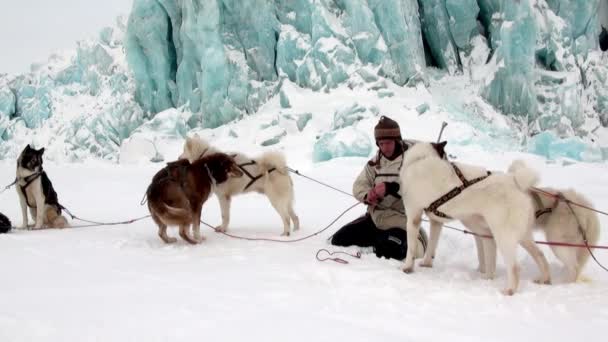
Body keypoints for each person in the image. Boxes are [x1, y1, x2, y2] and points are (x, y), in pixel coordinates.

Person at [331, 116, 427, 260]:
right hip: (376, 219)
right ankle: (382, 239)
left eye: (388, 143)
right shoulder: (375, 163)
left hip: (401, 220)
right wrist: (367, 196)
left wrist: (391, 188)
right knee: (339, 240)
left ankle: (417, 238)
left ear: (397, 140)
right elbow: (359, 185)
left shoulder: (414, 159)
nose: (384, 148)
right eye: (381, 143)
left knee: (389, 249)